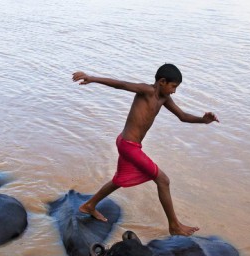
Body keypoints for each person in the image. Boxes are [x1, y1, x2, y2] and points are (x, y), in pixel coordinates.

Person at [72, 64, 219, 236]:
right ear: (162, 82)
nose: (174, 92)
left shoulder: (164, 99)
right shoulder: (147, 91)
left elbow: (183, 116)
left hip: (129, 144)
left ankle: (88, 206)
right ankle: (174, 226)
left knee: (119, 181)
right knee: (163, 180)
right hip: (128, 145)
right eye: (173, 87)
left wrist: (203, 120)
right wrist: (92, 78)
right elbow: (121, 84)